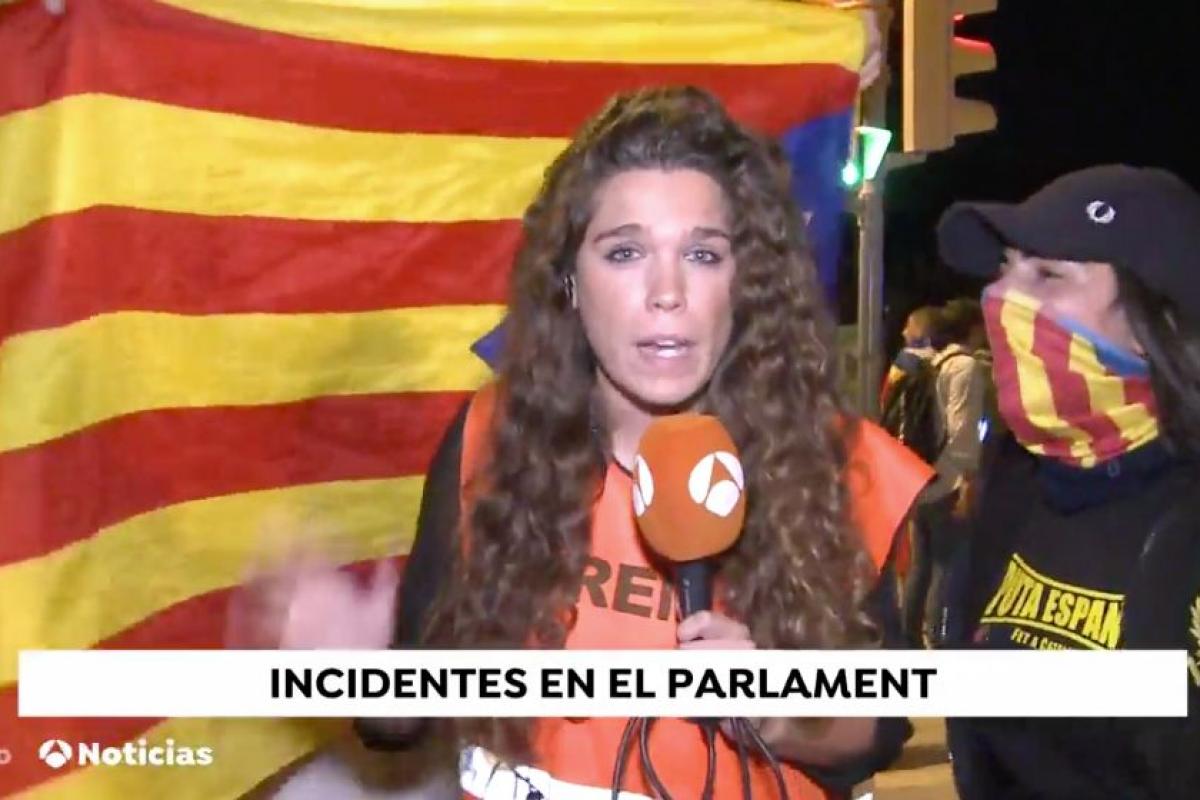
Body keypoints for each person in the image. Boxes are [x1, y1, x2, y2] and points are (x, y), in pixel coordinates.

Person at [241, 86, 933, 800]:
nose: (666, 291)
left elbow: (878, 727)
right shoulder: (491, 439)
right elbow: (410, 715)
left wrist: (776, 709)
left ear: (745, 283)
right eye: (625, 252)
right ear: (570, 280)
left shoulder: (843, 469)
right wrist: (355, 672)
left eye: (703, 253)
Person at [935, 164, 1200, 799]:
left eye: (1048, 275)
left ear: (1154, 321)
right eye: (1005, 268)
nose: (1000, 297)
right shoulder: (1014, 483)